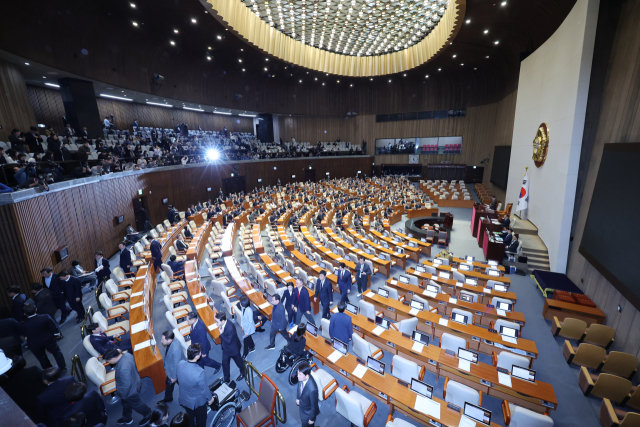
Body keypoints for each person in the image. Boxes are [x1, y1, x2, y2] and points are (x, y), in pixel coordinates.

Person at [103, 349, 152, 426]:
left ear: (113, 359)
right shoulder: (127, 355)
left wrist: (123, 395)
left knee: (136, 404)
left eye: (108, 361)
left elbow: (126, 386)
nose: (108, 363)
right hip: (134, 381)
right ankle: (127, 418)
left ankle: (148, 414)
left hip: (129, 392)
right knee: (125, 404)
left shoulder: (123, 368)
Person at [176, 344, 215, 427]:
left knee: (190, 418)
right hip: (197, 403)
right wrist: (210, 399)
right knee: (201, 420)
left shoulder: (180, 364)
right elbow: (204, 389)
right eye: (200, 353)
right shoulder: (199, 372)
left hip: (184, 399)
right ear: (197, 356)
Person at [19, 303, 66, 370]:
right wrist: (57, 334)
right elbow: (53, 326)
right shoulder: (45, 317)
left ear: (25, 314)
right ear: (36, 309)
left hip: (34, 343)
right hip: (48, 339)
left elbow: (24, 333)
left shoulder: (22, 324)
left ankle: (50, 370)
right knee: (56, 352)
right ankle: (62, 367)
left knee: (42, 358)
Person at [215, 311, 245, 383]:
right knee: (225, 363)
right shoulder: (224, 322)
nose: (216, 324)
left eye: (217, 322)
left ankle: (243, 373)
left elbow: (228, 341)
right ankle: (226, 379)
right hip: (226, 349)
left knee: (239, 363)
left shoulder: (230, 327)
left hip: (233, 349)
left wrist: (221, 334)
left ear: (222, 321)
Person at [157, 330, 185, 405]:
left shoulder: (176, 349)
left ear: (169, 340)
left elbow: (177, 364)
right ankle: (168, 398)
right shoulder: (171, 341)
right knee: (169, 385)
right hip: (171, 369)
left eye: (163, 340)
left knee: (184, 385)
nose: (161, 341)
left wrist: (173, 377)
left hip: (177, 372)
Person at [296, 361, 320, 427]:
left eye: (300, 374)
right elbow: (299, 387)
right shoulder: (301, 378)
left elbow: (314, 406)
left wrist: (312, 419)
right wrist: (298, 397)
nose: (297, 376)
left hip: (307, 413)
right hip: (303, 406)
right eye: (298, 373)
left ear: (307, 376)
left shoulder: (312, 390)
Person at [239, 295, 256, 359]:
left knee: (245, 340)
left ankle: (245, 354)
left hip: (249, 328)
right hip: (245, 327)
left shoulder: (249, 311)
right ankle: (252, 347)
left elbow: (250, 322)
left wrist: (247, 332)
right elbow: (242, 317)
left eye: (240, 303)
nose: (239, 303)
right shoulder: (243, 308)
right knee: (248, 338)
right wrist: (242, 325)